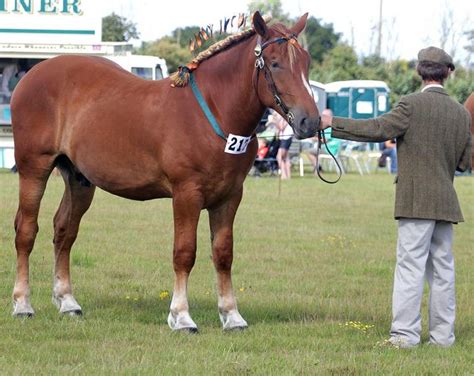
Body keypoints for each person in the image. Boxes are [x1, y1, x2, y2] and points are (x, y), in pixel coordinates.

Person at [320, 46, 472, 348]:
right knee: (443, 272)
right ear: (448, 73)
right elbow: (466, 163)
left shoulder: (410, 104)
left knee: (410, 269)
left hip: (415, 202)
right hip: (446, 202)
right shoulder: (460, 113)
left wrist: (331, 124)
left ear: (419, 71)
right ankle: (443, 338)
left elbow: (377, 128)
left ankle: (404, 336)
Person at [275, 112, 293, 179]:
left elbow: (281, 127)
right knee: (285, 157)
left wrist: (275, 120)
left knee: (280, 157)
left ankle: (284, 174)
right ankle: (288, 175)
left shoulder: (285, 116)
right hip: (285, 138)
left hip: (286, 137)